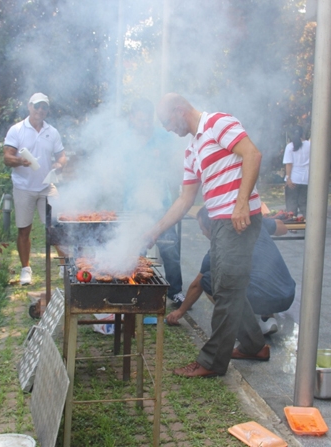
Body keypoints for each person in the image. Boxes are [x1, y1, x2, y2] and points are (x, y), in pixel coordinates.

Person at [146, 93, 268, 378]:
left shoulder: (217, 123)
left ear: (179, 110)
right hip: (221, 223)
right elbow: (184, 200)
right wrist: (156, 229)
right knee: (224, 284)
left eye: (166, 121)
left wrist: (241, 203)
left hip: (238, 219)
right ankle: (254, 345)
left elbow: (253, 154)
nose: (166, 128)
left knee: (225, 287)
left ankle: (212, 361)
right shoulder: (191, 151)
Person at [166, 207, 296, 334]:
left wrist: (180, 312)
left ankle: (241, 327)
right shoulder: (251, 223)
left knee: (208, 279)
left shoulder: (216, 251)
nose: (203, 233)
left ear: (213, 227)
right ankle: (267, 317)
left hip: (262, 298)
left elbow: (196, 285)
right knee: (257, 272)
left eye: (203, 229)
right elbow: (282, 228)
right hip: (287, 295)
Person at [125, 99, 185, 306]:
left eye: (147, 120)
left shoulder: (163, 137)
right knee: (135, 250)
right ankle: (135, 289)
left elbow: (176, 164)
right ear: (132, 118)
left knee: (170, 249)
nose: (144, 124)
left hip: (161, 206)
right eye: (140, 120)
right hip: (132, 207)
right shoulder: (125, 140)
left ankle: (176, 291)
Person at [3, 93, 67, 285]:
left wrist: (59, 164)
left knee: (56, 226)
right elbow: (7, 157)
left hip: (47, 186)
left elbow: (62, 155)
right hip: (23, 187)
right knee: (24, 229)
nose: (40, 110)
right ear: (29, 106)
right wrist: (20, 161)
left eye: (44, 107)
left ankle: (65, 265)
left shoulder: (52, 132)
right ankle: (26, 269)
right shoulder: (17, 130)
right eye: (37, 106)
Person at [282, 126, 310, 216]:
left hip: (293, 178)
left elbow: (289, 164)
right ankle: (307, 224)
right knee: (304, 203)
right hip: (306, 178)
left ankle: (292, 226)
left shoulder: (290, 146)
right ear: (303, 134)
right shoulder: (310, 145)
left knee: (291, 204)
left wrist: (288, 178)